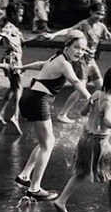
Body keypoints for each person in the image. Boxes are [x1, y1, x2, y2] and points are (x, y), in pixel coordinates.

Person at [15, 30, 92, 201]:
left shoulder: (57, 57)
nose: (80, 52)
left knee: (45, 142)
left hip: (31, 96)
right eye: (76, 47)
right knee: (48, 143)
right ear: (67, 46)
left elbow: (41, 64)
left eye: (83, 49)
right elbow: (76, 81)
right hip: (38, 100)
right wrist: (90, 98)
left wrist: (23, 67)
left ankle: (25, 175)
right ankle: (34, 188)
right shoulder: (65, 64)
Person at [52, 67, 111, 212]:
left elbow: (83, 112)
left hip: (85, 138)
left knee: (82, 172)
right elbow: (107, 121)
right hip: (99, 142)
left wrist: (92, 106)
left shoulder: (96, 94)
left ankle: (61, 200)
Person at [43, 2, 111, 123]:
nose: (100, 16)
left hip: (91, 61)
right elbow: (69, 30)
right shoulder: (83, 24)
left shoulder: (101, 27)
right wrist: (53, 35)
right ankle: (62, 114)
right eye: (98, 13)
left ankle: (102, 112)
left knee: (102, 87)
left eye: (102, 14)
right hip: (81, 60)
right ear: (91, 12)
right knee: (80, 88)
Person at [0, 3, 34, 134]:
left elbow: (24, 40)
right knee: (19, 87)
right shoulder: (9, 27)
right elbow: (0, 36)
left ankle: (1, 113)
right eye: (19, 15)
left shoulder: (15, 28)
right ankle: (15, 116)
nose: (21, 17)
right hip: (12, 60)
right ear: (12, 15)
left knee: (13, 87)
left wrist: (39, 36)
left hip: (14, 59)